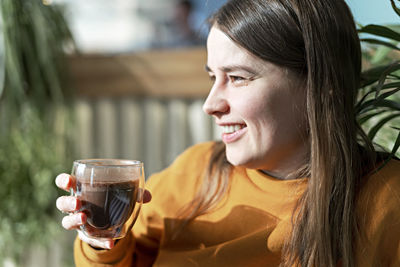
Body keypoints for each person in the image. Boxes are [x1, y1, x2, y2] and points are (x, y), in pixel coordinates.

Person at [55, 0, 400, 266]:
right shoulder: (195, 172)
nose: (210, 104)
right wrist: (101, 237)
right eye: (212, 78)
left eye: (237, 78)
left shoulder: (385, 200)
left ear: (319, 86)